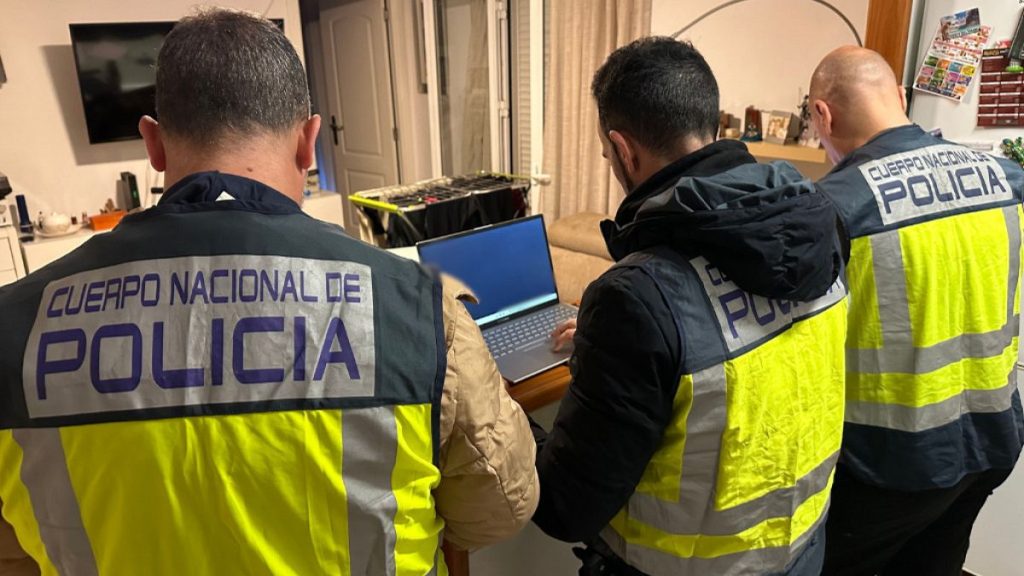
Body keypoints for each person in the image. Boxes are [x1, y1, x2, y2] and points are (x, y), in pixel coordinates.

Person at [0, 9, 537, 575]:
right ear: (309, 142)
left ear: (153, 144)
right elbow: (500, 510)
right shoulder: (420, 310)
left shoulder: (12, 325)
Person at [537, 37, 848, 576]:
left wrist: (509, 421)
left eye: (607, 154)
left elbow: (566, 507)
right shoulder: (821, 228)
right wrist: (615, 346)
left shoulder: (636, 298)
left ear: (623, 149)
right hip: (802, 549)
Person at [809, 46, 1024, 576]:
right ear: (901, 98)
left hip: (891, 461)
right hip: (992, 438)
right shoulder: (1009, 178)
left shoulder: (836, 206)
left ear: (822, 115)